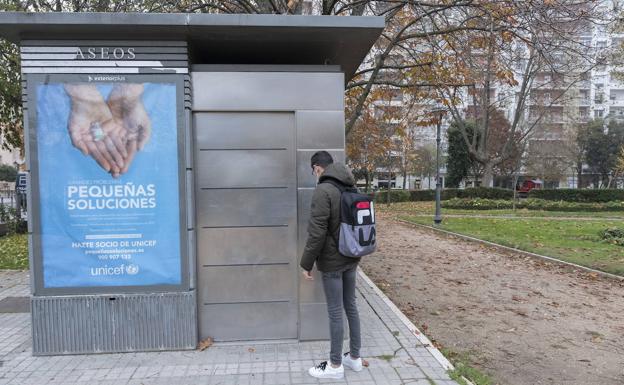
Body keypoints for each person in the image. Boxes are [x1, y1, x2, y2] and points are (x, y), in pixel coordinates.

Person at [300, 151, 363, 380]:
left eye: (314, 171)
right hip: (352, 257)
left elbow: (316, 233)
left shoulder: (323, 190)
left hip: (333, 262)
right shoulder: (350, 187)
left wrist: (306, 264)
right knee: (351, 306)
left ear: (317, 168)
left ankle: (335, 364)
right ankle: (354, 358)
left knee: (335, 312)